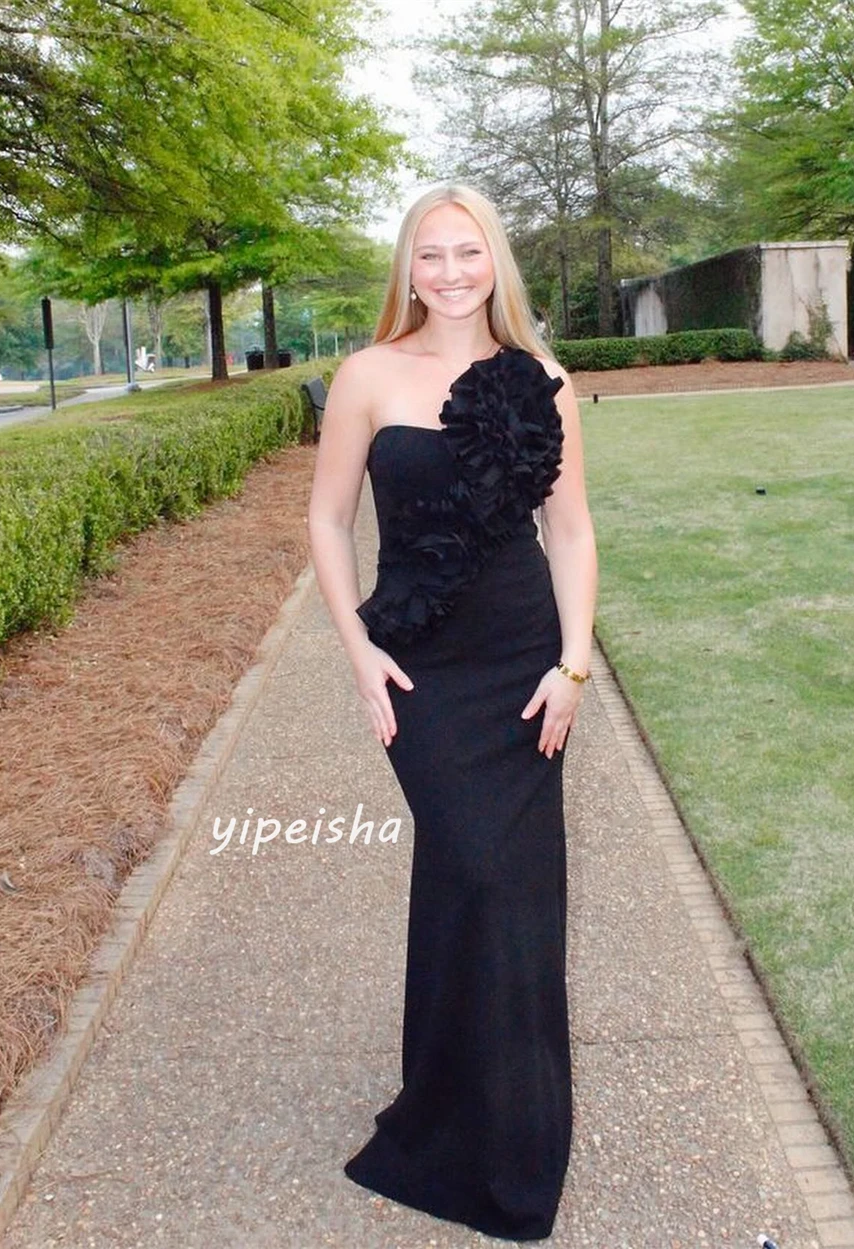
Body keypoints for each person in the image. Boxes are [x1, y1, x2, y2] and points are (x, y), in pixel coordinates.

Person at [307, 182, 598, 1242]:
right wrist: (358, 653)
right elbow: (328, 520)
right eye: (428, 255)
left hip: (524, 663)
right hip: (422, 669)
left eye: (465, 252)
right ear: (406, 268)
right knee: (471, 865)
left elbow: (568, 535)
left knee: (505, 893)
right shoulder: (368, 375)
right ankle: (444, 1114)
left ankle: (511, 1138)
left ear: (495, 261)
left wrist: (572, 666)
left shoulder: (540, 382)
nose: (448, 272)